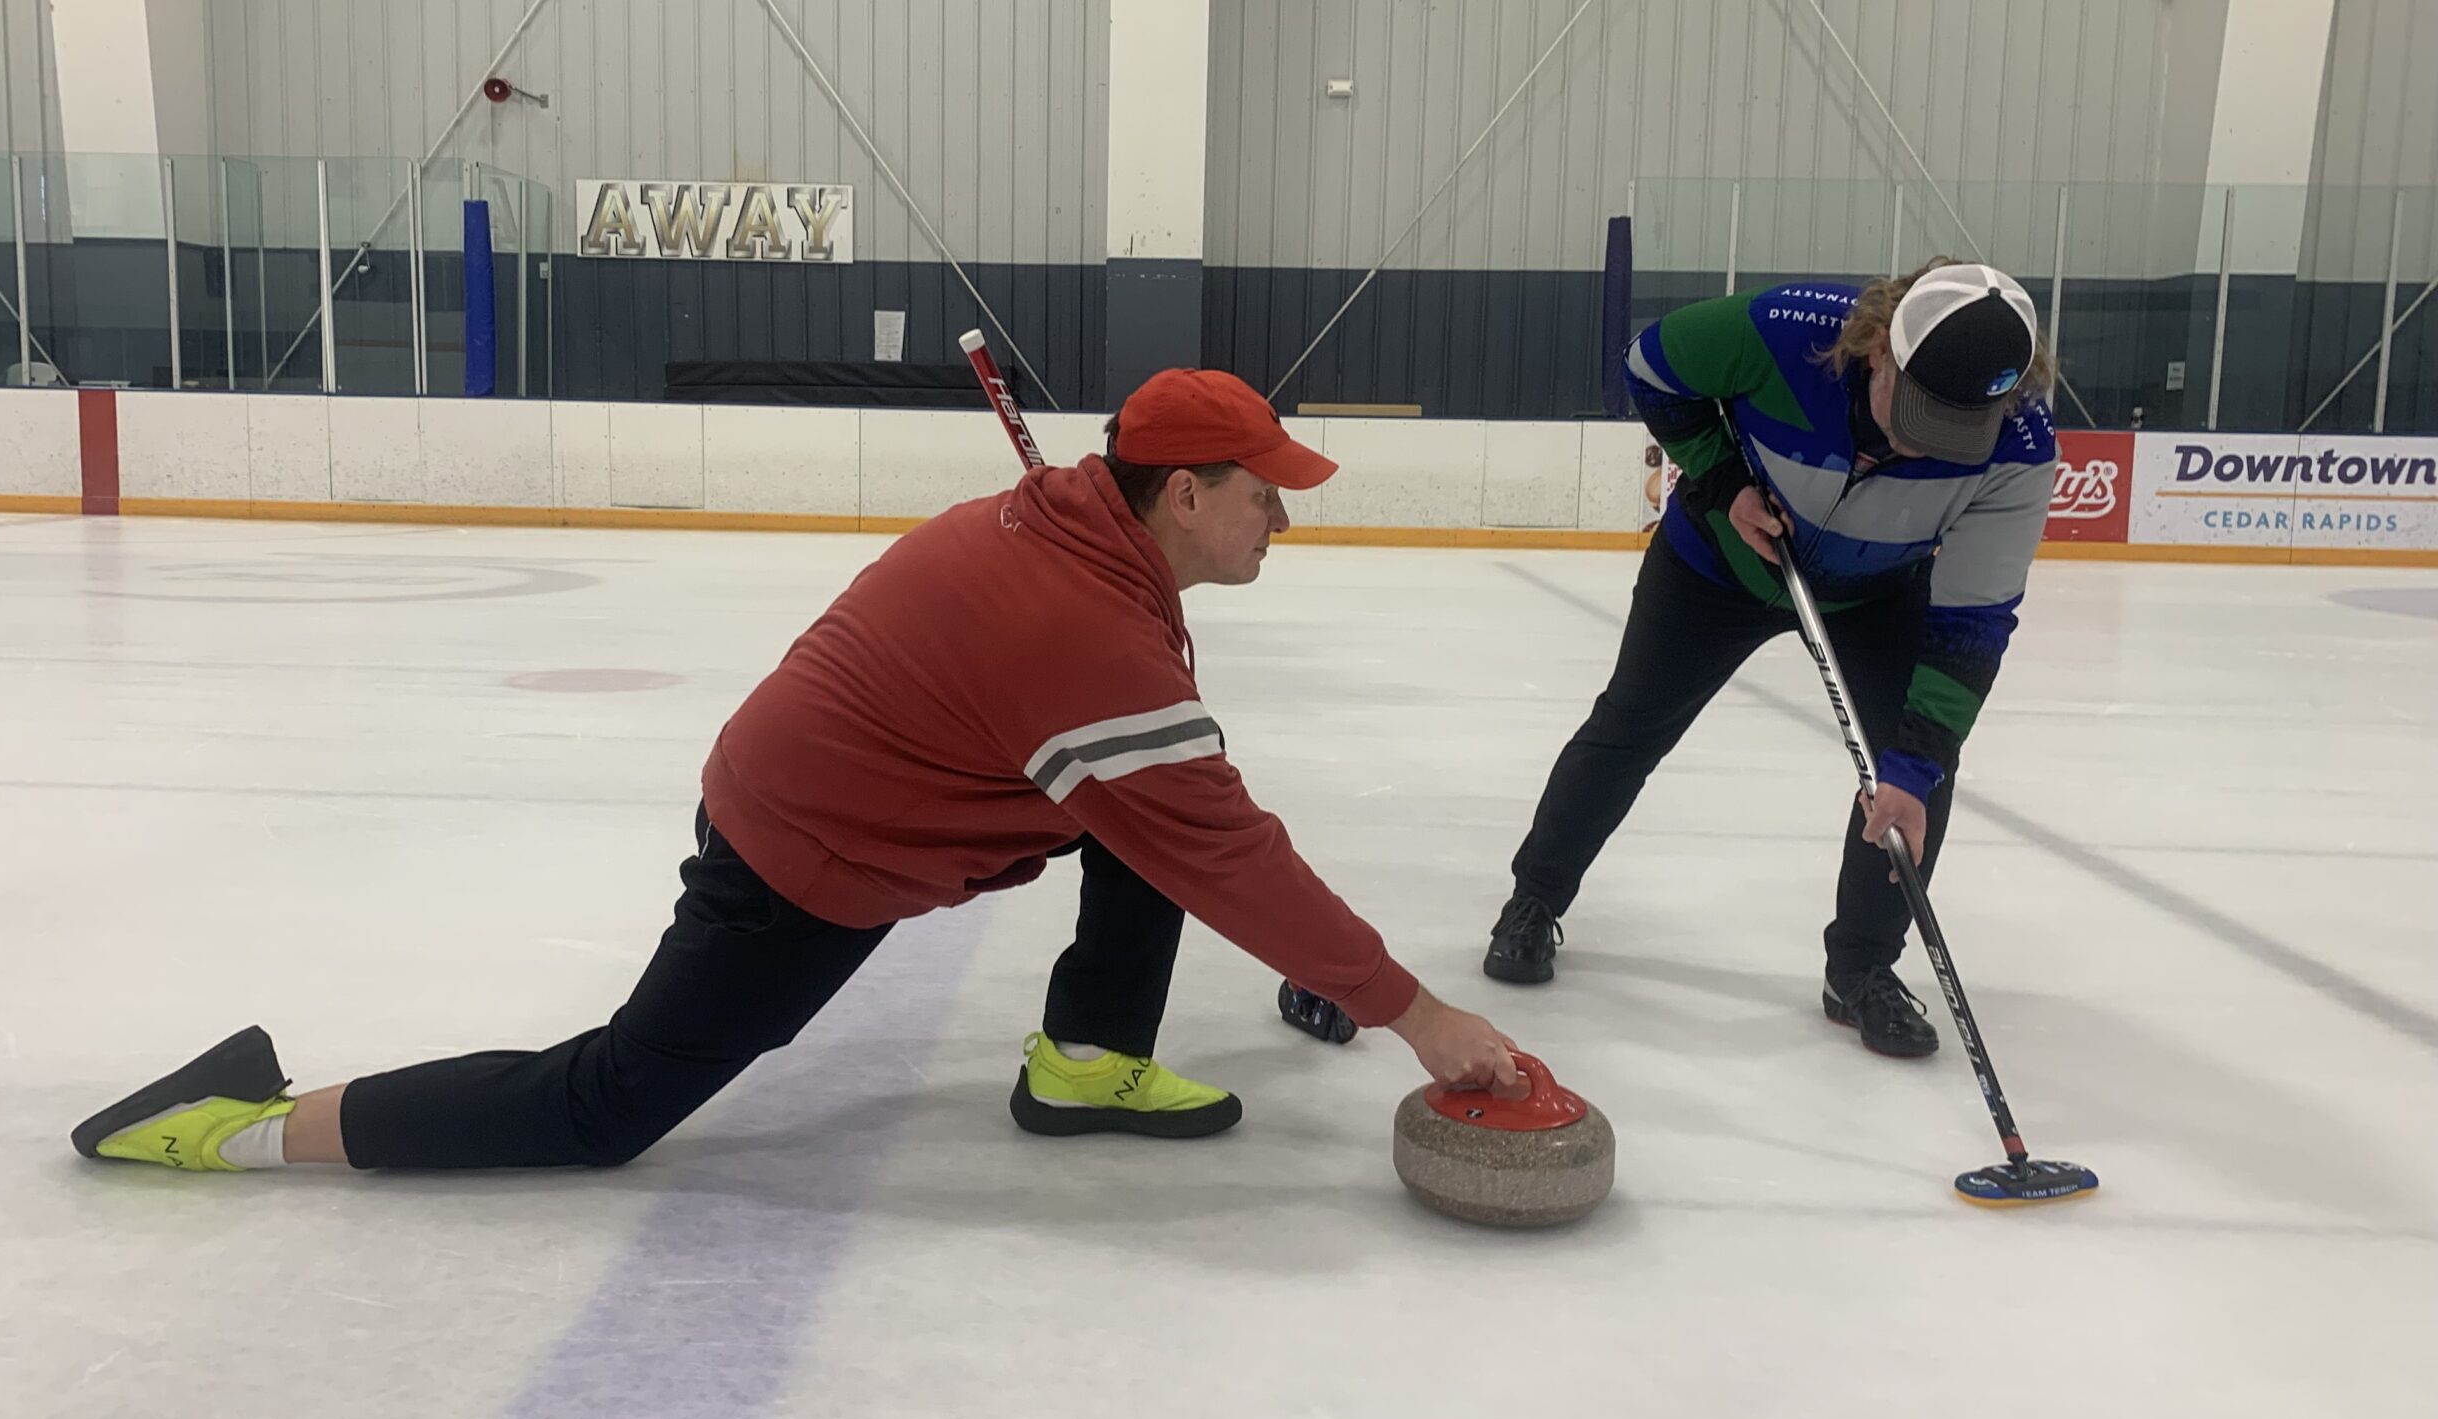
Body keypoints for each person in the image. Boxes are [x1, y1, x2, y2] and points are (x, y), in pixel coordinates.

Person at [74, 369, 1526, 1175]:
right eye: (1267, 494)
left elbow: (1170, 804)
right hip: (803, 855)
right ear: (1186, 494)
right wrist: (1413, 1012)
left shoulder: (1075, 523)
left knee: (1140, 817)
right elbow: (1222, 845)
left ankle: (1084, 1064)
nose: (1286, 518)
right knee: (605, 1107)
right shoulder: (1081, 625)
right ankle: (238, 1129)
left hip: (835, 786)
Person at [1485, 259, 2056, 1058]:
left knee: (1913, 776)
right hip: (1716, 565)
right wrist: (1723, 484)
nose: (1922, 443)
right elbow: (1650, 372)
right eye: (1920, 407)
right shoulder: (1782, 331)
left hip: (1876, 598)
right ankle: (1535, 899)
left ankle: (1861, 970)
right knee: (1629, 727)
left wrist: (1917, 766)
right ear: (1879, 351)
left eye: (1960, 421)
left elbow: (1974, 623)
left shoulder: (2019, 449)